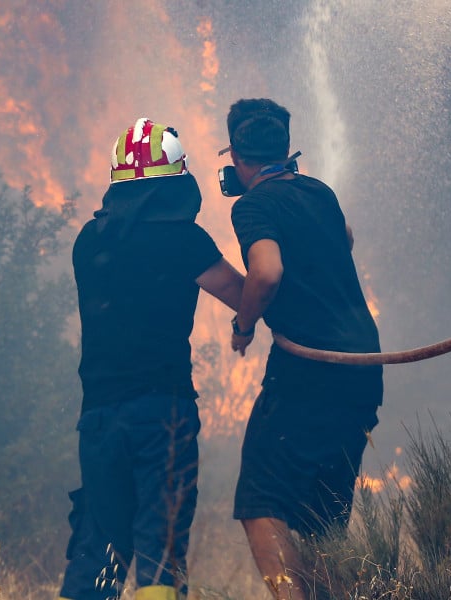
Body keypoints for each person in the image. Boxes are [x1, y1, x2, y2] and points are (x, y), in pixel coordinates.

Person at [59, 118, 244, 600]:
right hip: (161, 413)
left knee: (99, 547)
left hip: (98, 419)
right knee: (160, 549)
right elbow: (242, 297)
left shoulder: (88, 241)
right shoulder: (184, 240)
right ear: (177, 181)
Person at [222, 99, 383, 600]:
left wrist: (244, 324)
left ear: (238, 159)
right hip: (363, 372)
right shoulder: (320, 193)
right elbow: (346, 237)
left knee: (259, 502)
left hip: (308, 372)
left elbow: (266, 271)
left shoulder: (252, 206)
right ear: (287, 151)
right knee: (321, 521)